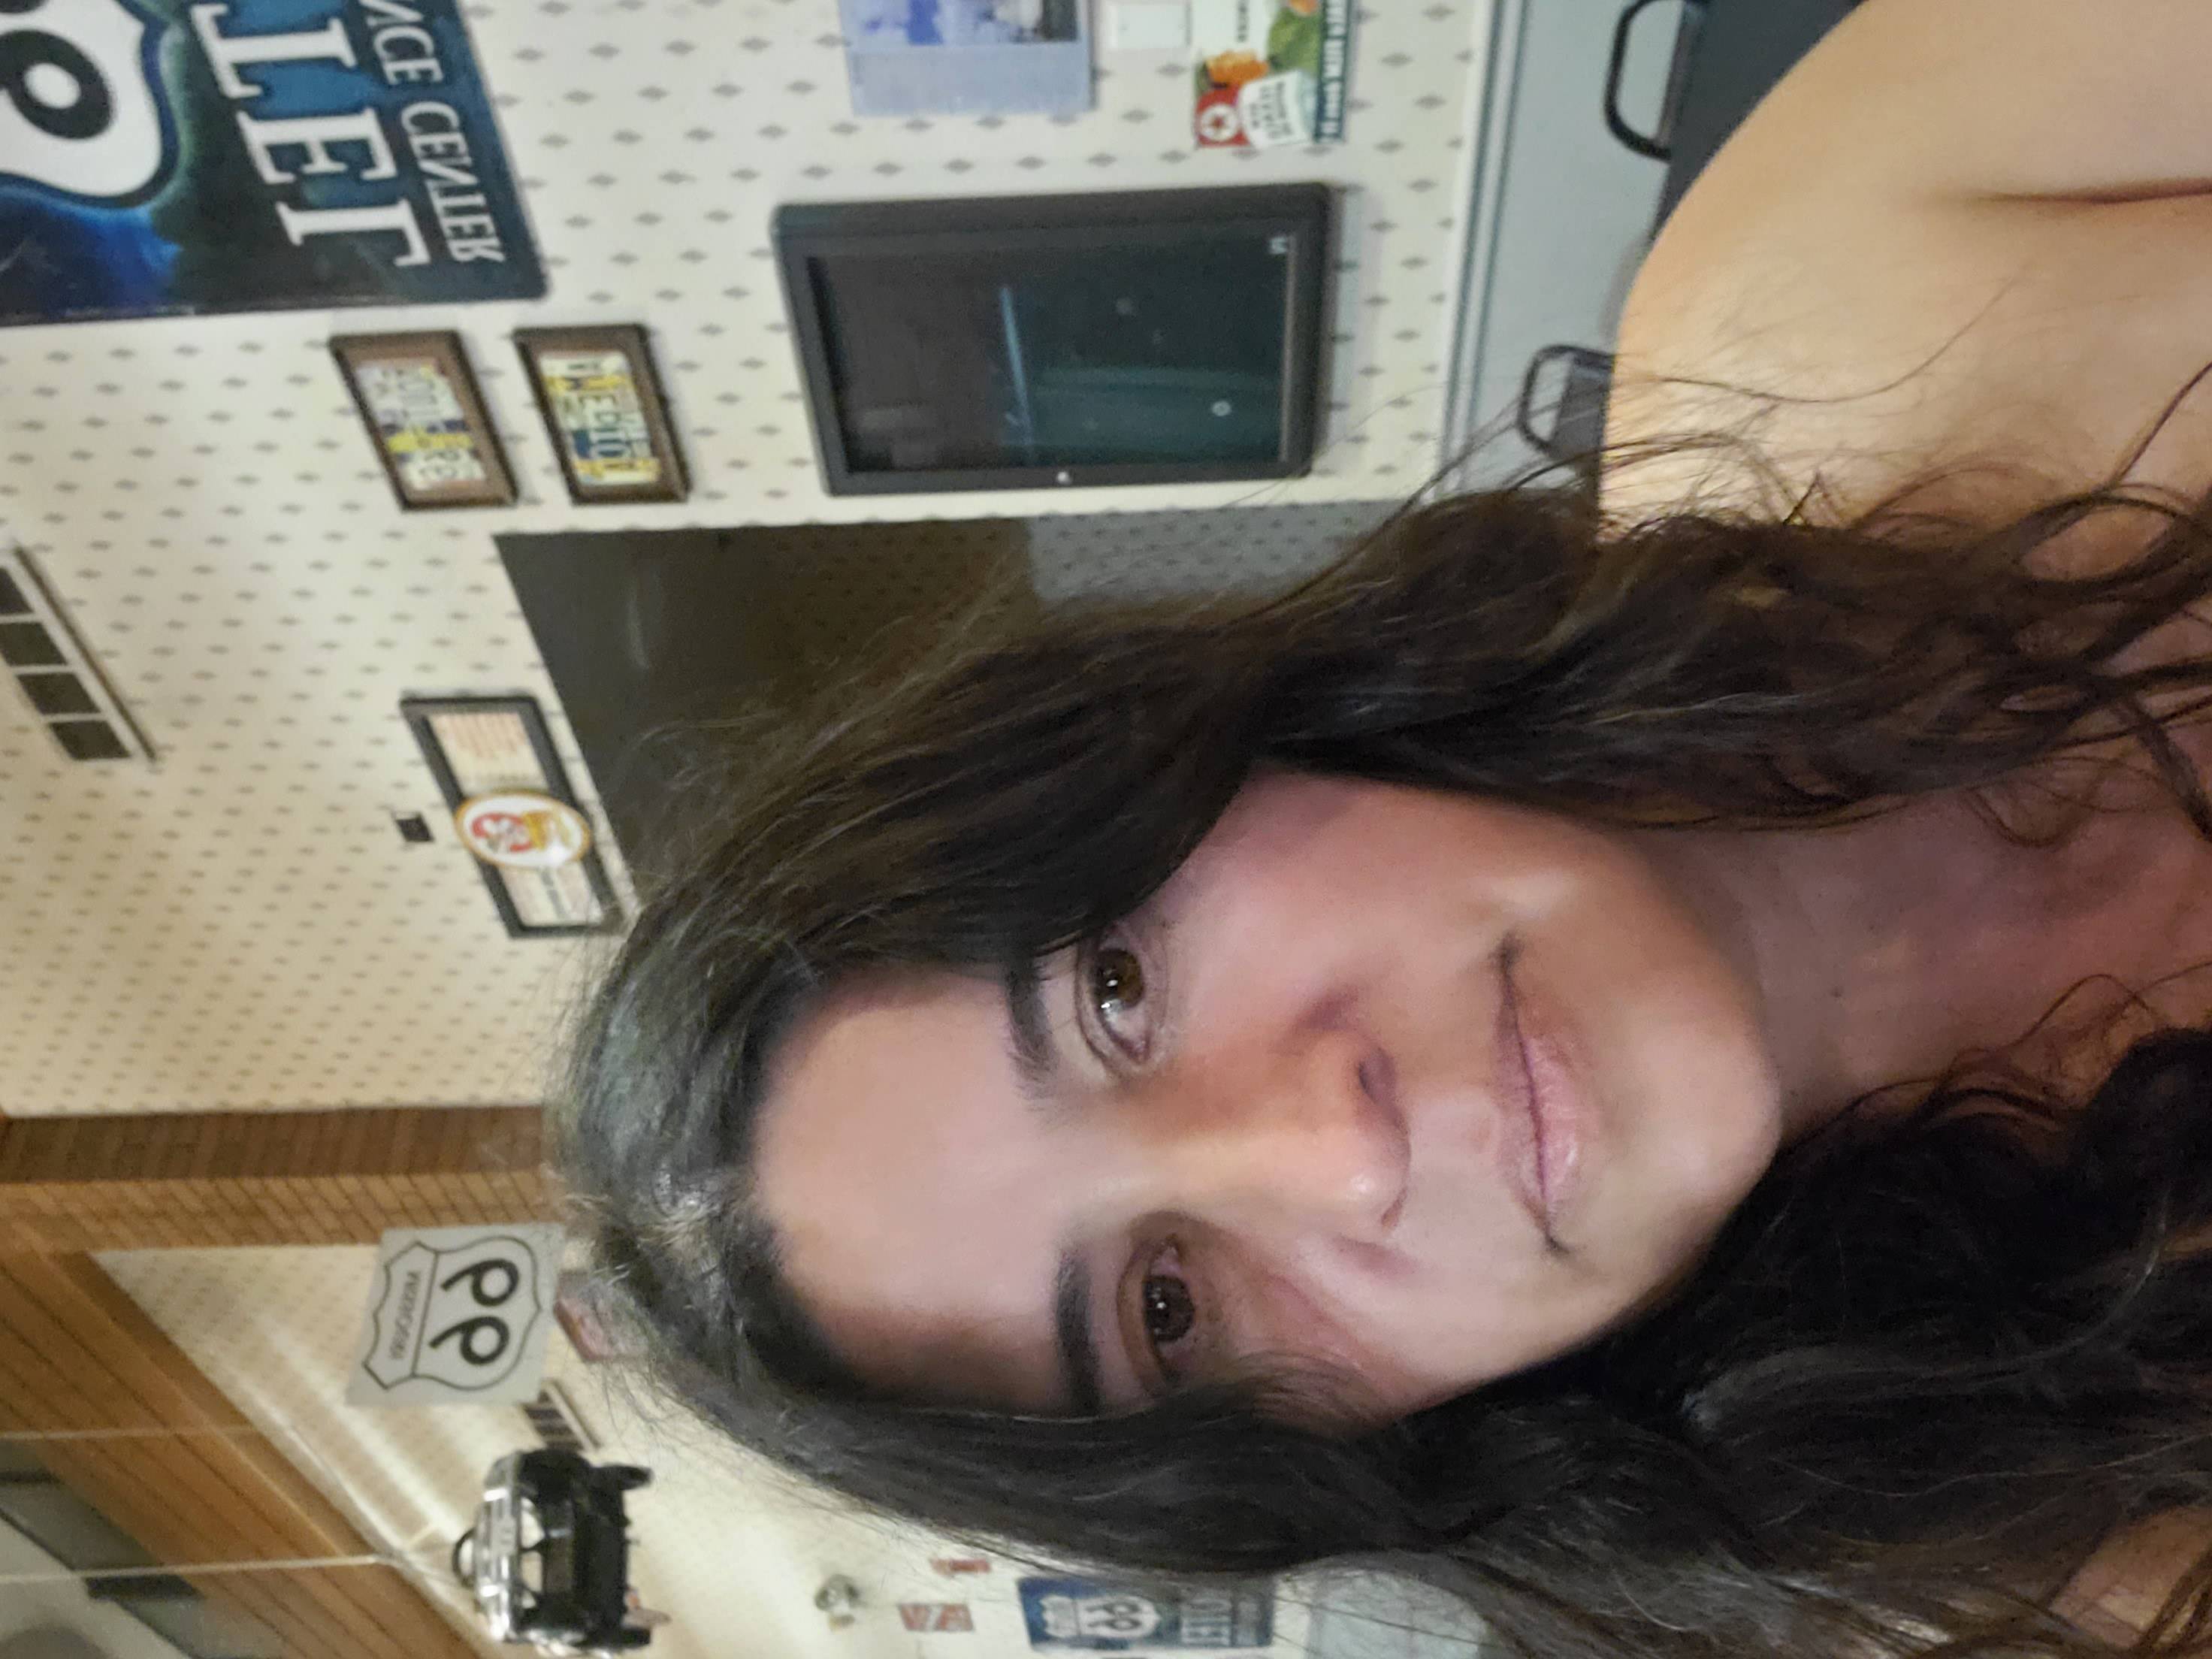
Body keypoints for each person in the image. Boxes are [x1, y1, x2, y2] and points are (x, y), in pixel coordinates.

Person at [554, 5, 2212, 1656]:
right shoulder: (2092, 1554)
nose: (1335, 1155)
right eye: (1167, 1309)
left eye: (1114, 992)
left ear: (1187, 751)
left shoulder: (1865, 264)